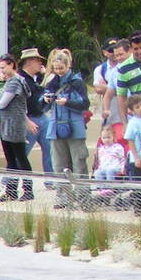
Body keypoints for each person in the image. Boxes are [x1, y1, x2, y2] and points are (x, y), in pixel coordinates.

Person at [44, 48, 91, 206]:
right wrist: (45, 99)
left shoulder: (77, 83)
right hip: (56, 128)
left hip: (75, 128)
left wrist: (68, 102)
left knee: (79, 164)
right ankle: (63, 197)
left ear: (68, 66)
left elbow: (85, 103)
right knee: (58, 164)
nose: (59, 72)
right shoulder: (52, 82)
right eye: (56, 69)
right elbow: (42, 105)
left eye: (61, 69)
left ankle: (83, 197)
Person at [0, 54, 35, 201]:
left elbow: (3, 103)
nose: (1, 71)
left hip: (14, 125)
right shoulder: (11, 81)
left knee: (20, 158)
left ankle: (28, 190)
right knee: (11, 160)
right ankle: (11, 190)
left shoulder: (15, 82)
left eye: (3, 67)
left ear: (11, 65)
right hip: (7, 125)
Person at [18, 48, 54, 177]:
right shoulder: (20, 79)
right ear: (29, 61)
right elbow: (18, 104)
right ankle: (9, 182)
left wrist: (45, 75)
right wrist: (26, 121)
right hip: (28, 119)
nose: (40, 63)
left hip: (42, 116)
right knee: (22, 153)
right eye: (37, 60)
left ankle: (51, 179)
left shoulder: (37, 78)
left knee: (50, 149)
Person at [93, 39, 128, 140]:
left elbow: (106, 89)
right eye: (110, 51)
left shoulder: (123, 67)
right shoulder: (101, 69)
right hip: (110, 111)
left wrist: (108, 87)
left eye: (116, 51)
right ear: (104, 52)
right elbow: (98, 89)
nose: (114, 54)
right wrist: (118, 88)